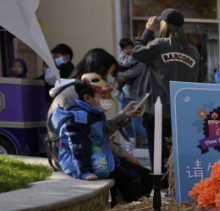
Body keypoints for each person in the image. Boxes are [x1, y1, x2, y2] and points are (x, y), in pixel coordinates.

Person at [51, 73, 147, 204]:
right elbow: (78, 146)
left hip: (97, 157)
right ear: (87, 98)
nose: (107, 99)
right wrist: (85, 171)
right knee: (131, 179)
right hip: (81, 163)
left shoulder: (93, 113)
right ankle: (134, 209)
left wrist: (125, 114)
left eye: (108, 96)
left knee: (140, 176)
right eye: (103, 96)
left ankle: (134, 207)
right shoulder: (79, 118)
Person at [133, 8, 201, 188]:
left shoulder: (159, 45)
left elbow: (136, 53)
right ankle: (176, 190)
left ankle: (160, 193)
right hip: (181, 112)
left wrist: (148, 31)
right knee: (176, 156)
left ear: (162, 25)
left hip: (157, 110)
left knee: (158, 158)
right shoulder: (193, 51)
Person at [46, 48, 143, 173]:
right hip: (75, 159)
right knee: (136, 176)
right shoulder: (78, 94)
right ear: (100, 70)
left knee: (136, 174)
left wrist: (124, 115)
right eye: (112, 73)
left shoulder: (78, 90)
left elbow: (95, 129)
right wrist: (126, 155)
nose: (112, 78)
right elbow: (90, 137)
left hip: (75, 152)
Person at [117, 37, 147, 148]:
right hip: (125, 97)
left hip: (136, 97)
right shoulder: (121, 60)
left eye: (131, 48)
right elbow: (117, 74)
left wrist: (122, 75)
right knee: (125, 125)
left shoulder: (140, 61)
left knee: (137, 126)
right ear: (122, 49)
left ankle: (155, 142)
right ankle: (130, 149)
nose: (130, 50)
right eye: (127, 48)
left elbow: (131, 73)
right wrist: (121, 75)